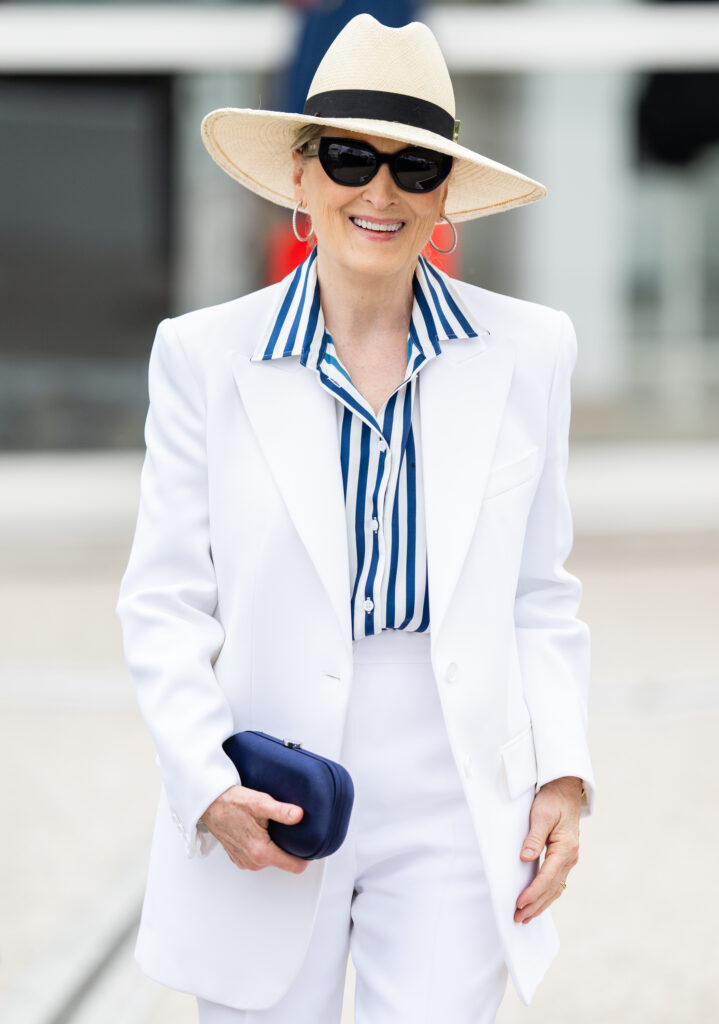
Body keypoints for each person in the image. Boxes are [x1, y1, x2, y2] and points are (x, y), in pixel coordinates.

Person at [115, 14, 595, 1024]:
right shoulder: (203, 357)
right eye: (347, 157)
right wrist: (202, 779)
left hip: (457, 785)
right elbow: (163, 598)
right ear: (299, 177)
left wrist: (561, 771)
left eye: (413, 167)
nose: (378, 192)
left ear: (443, 196)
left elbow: (539, 591)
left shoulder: (530, 351)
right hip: (271, 783)